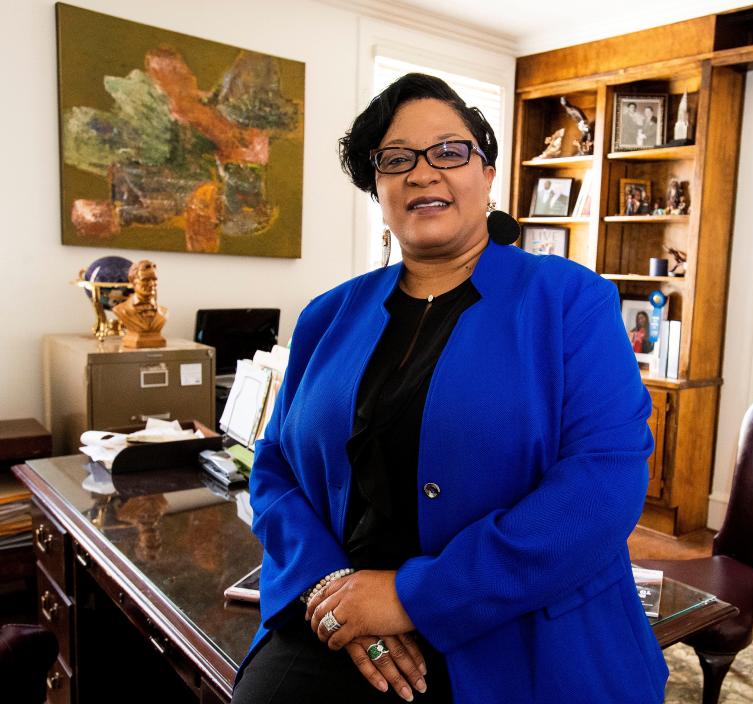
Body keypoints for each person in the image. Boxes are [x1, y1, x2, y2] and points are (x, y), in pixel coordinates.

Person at [232, 73, 668, 704]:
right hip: (343, 612)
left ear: (486, 173)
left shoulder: (571, 300)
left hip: (523, 626)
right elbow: (273, 468)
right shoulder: (327, 316)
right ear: (377, 189)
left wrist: (405, 597)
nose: (423, 172)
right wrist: (337, 591)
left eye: (449, 151)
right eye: (396, 159)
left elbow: (604, 485)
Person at [111, 259, 167, 348]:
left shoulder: (164, 312)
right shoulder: (121, 310)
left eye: (154, 279)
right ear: (133, 282)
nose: (152, 284)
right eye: (145, 280)